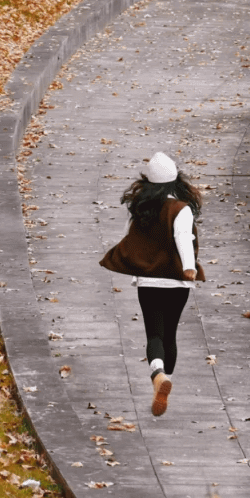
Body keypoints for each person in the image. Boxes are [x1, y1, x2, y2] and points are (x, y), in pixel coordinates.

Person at [99, 152, 205, 417]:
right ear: (175, 181)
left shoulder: (141, 209)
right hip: (178, 283)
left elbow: (128, 238)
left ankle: (157, 374)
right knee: (170, 334)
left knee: (154, 334)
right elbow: (183, 238)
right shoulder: (181, 209)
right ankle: (165, 377)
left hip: (149, 281)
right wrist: (189, 267)